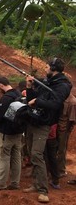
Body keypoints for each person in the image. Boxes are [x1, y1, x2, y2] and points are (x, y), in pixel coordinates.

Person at [24, 57, 72, 203]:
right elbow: (31, 100)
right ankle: (36, 183)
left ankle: (43, 190)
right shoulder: (46, 81)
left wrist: (38, 101)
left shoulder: (63, 85)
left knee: (37, 154)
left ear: (53, 68)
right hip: (33, 120)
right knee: (33, 155)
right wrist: (29, 87)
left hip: (43, 124)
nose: (44, 69)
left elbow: (56, 104)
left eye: (46, 67)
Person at [0, 77, 24, 191]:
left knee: (3, 158)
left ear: (1, 85)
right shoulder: (18, 94)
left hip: (6, 133)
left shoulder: (6, 98)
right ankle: (14, 183)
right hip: (18, 132)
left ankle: (0, 184)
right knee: (16, 158)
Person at [57, 94, 76, 178]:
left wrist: (67, 131)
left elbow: (72, 121)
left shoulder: (72, 102)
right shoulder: (59, 96)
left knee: (61, 149)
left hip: (63, 129)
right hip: (55, 127)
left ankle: (61, 170)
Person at [44, 124, 60, 189]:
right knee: (53, 158)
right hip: (53, 136)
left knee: (44, 158)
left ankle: (44, 179)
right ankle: (56, 181)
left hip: (45, 136)